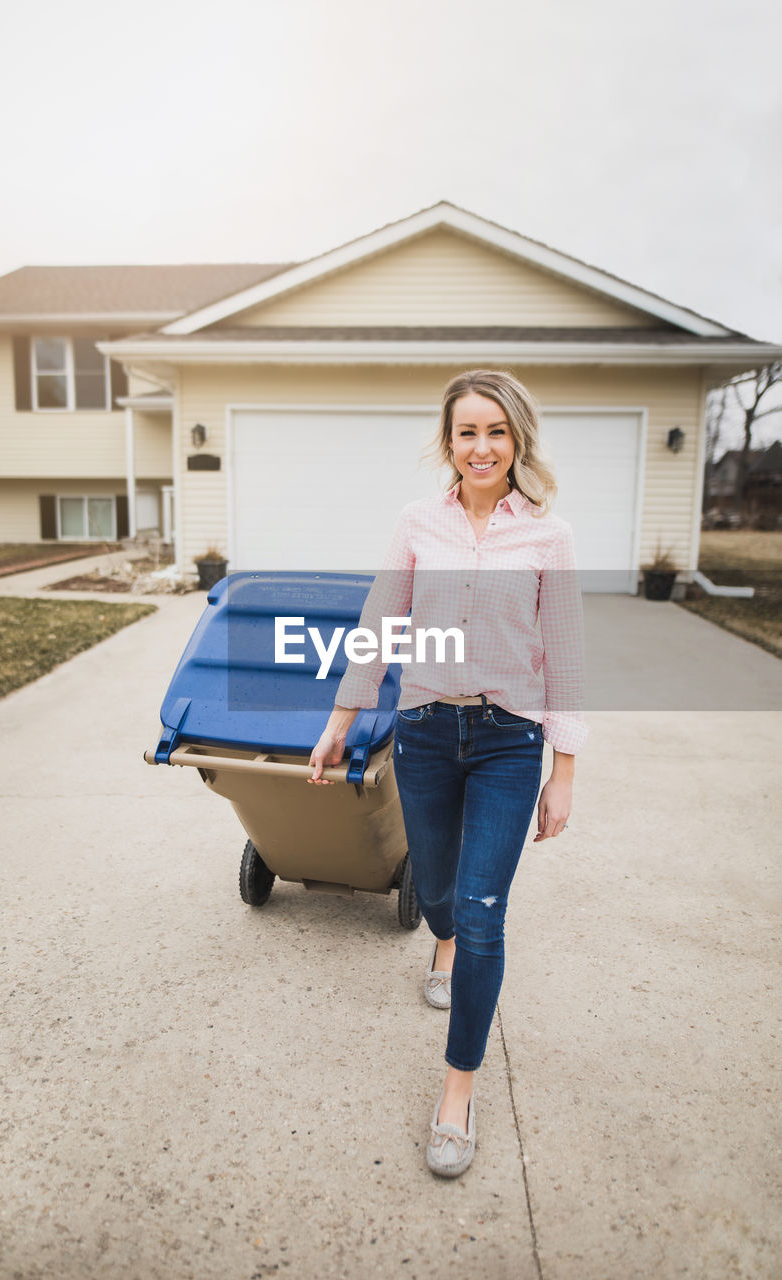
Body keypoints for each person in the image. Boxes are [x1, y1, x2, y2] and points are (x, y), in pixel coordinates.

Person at [308, 369, 586, 1178]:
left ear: (517, 439)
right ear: (448, 441)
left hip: (507, 739)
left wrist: (562, 770)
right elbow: (378, 622)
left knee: (482, 910)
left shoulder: (547, 536)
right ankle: (440, 943)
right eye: (467, 431)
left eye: (495, 431)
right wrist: (340, 723)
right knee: (435, 889)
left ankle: (456, 1092)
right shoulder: (414, 524)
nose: (481, 447)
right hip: (426, 732)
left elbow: (563, 652)